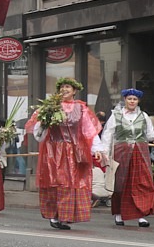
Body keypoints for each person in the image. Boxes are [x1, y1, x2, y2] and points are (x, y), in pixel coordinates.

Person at [25, 77, 104, 230]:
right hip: (54, 150)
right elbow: (38, 130)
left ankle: (66, 215)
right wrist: (45, 121)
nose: (64, 90)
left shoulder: (81, 109)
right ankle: (55, 216)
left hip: (74, 151)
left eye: (68, 87)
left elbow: (89, 130)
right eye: (62, 87)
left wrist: (97, 149)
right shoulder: (50, 107)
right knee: (56, 181)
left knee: (72, 182)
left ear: (74, 91)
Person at [101, 88, 154, 227]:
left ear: (138, 101)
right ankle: (119, 214)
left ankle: (141, 215)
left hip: (140, 153)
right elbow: (108, 135)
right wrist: (104, 153)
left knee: (141, 183)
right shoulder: (116, 115)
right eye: (129, 99)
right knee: (121, 183)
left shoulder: (144, 116)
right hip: (121, 153)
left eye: (135, 99)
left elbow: (150, 135)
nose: (132, 101)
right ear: (125, 100)